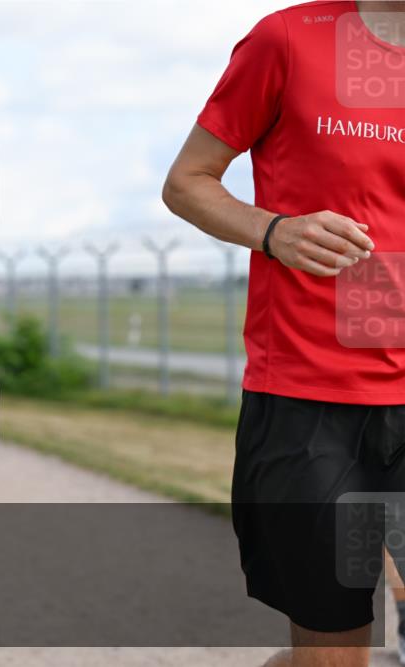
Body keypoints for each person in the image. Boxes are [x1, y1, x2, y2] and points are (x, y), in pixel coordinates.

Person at [162, 3, 404, 666]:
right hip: (310, 402)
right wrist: (274, 231)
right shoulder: (289, 39)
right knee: (331, 657)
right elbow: (186, 182)